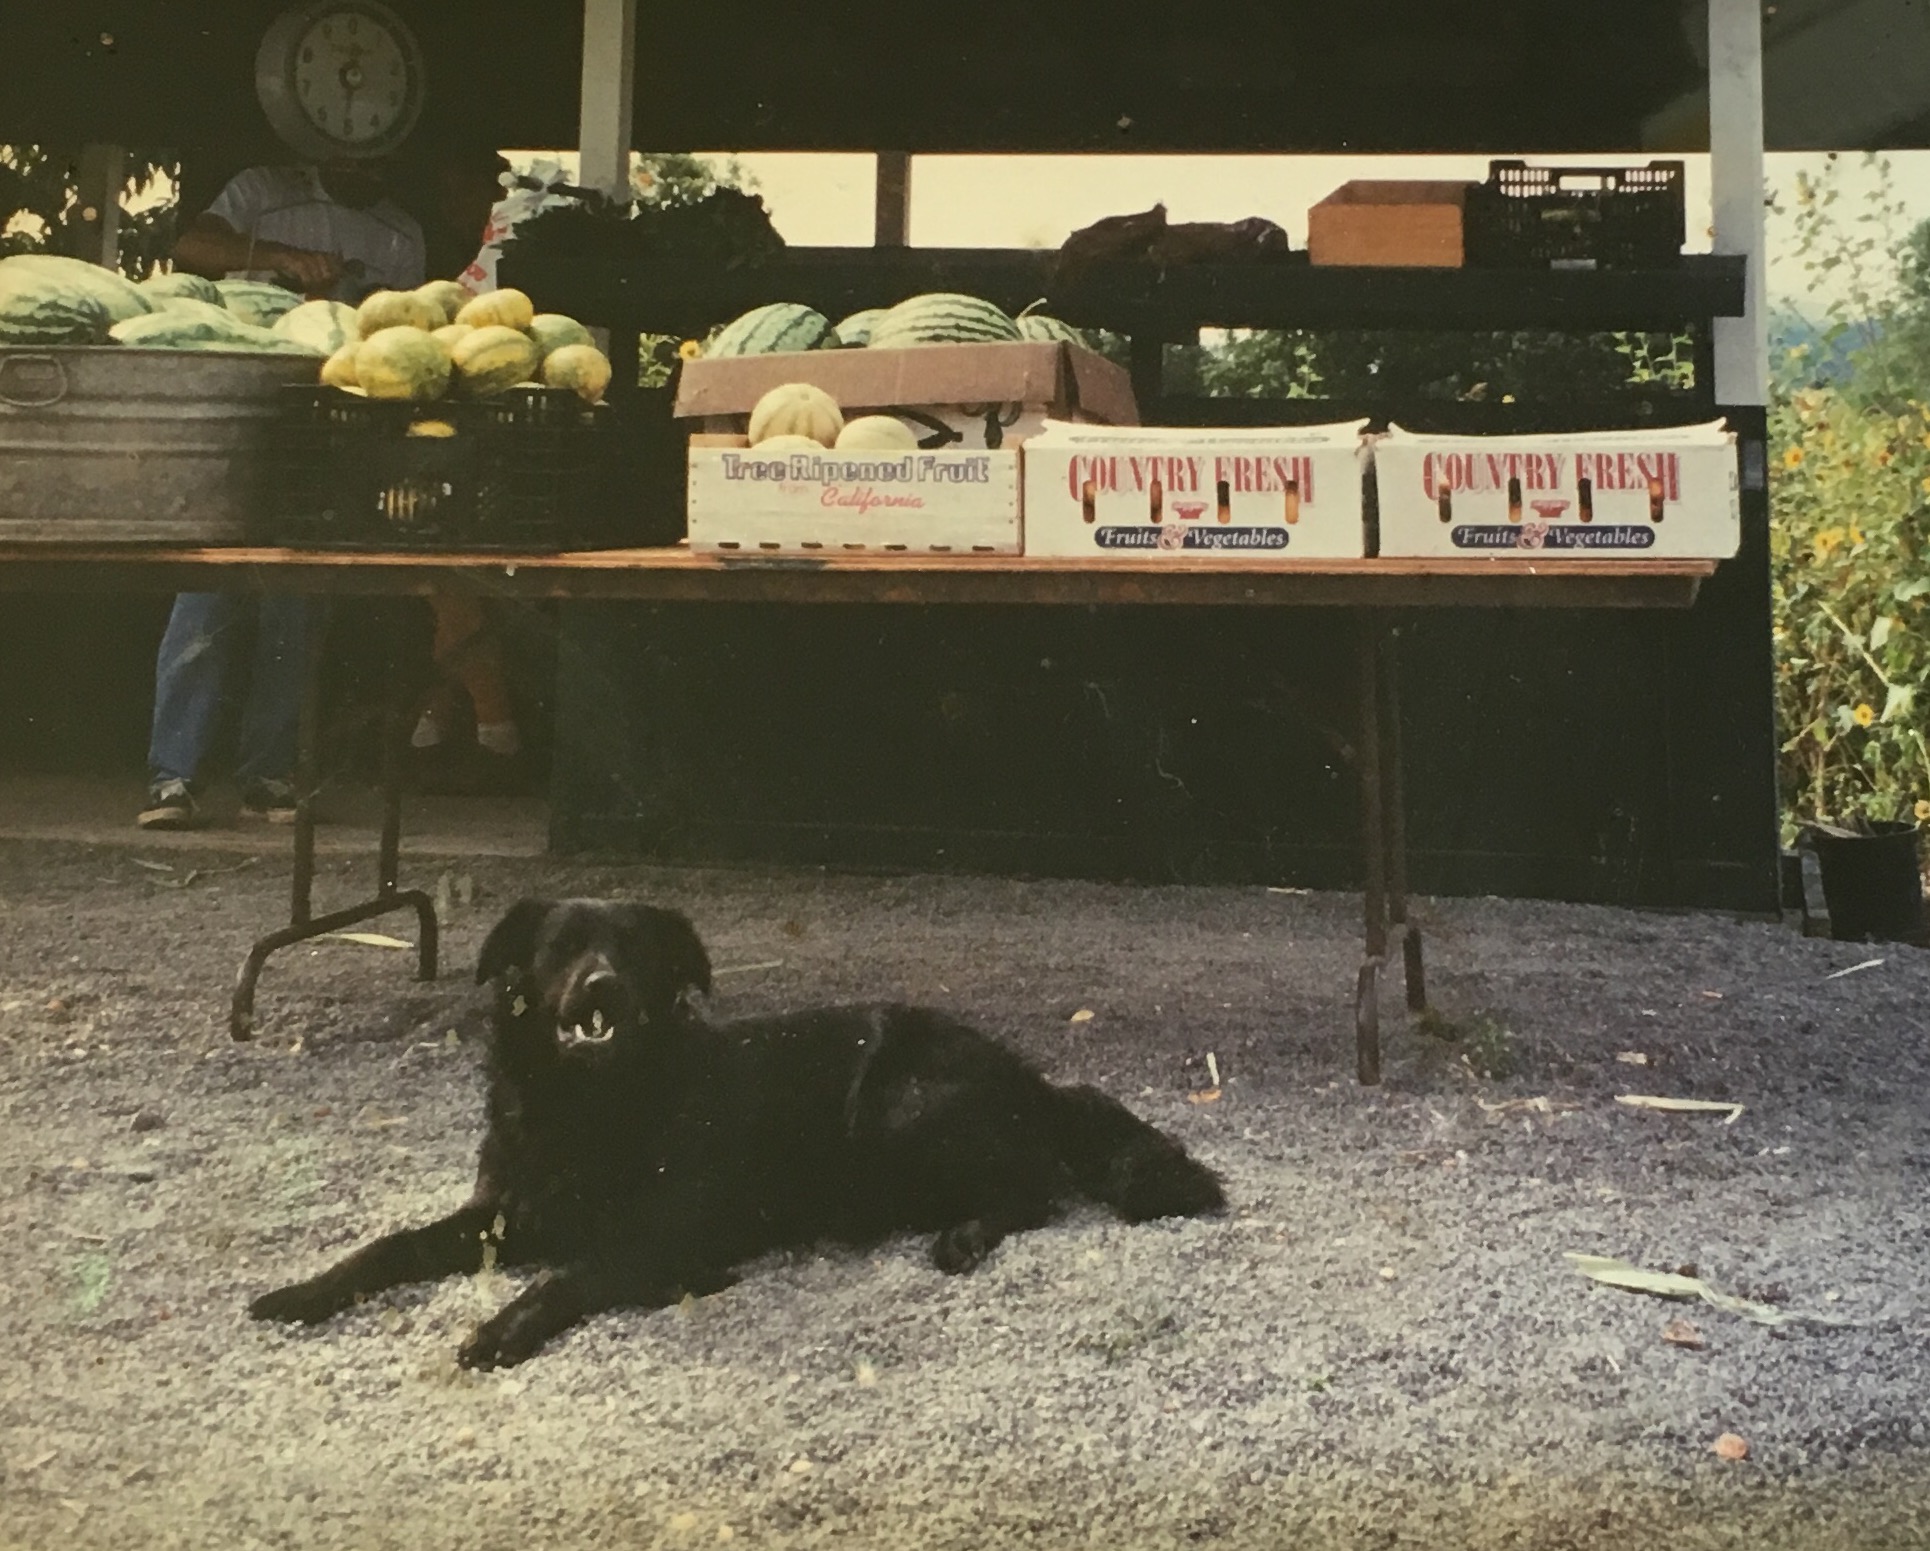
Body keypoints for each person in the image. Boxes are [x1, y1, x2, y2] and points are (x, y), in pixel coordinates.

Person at [137, 159, 426, 830]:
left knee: (294, 610)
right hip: (236, 421)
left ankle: (267, 776)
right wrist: (280, 258)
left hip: (325, 430)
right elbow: (191, 248)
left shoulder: (400, 233)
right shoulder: (260, 192)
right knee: (205, 597)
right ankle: (171, 779)